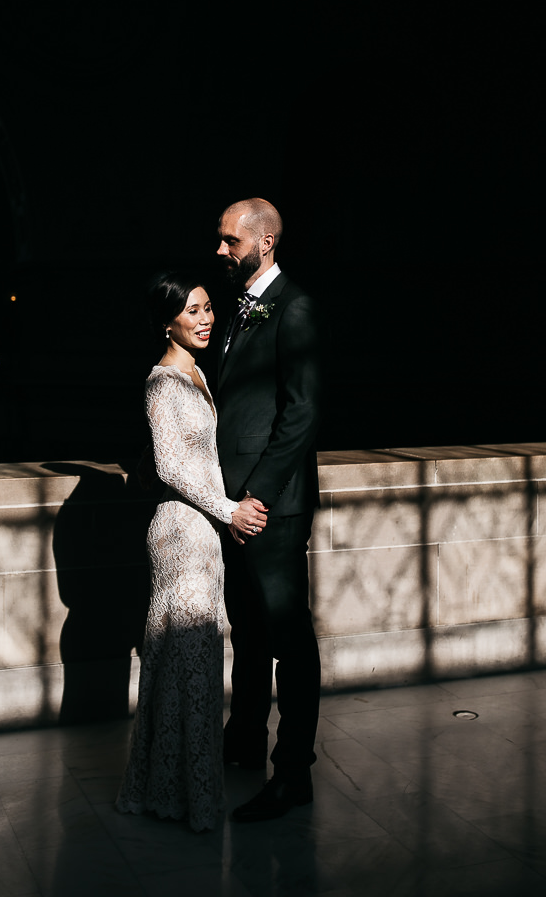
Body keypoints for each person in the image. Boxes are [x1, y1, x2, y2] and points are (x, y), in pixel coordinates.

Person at [116, 272, 269, 833]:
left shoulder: (198, 373)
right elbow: (173, 468)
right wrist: (230, 510)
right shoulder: (162, 383)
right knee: (190, 664)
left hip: (202, 532)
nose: (205, 319)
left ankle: (171, 792)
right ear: (167, 322)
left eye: (208, 308)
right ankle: (188, 799)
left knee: (193, 666)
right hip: (181, 533)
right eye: (192, 312)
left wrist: (222, 515)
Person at [214, 198, 323, 822]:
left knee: (288, 636)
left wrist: (256, 494)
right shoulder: (240, 308)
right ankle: (244, 740)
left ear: (267, 241)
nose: (222, 250)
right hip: (235, 505)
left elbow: (301, 413)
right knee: (247, 629)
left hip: (271, 508)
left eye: (231, 240)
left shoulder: (296, 309)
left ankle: (293, 773)